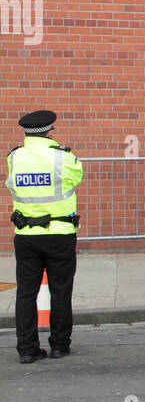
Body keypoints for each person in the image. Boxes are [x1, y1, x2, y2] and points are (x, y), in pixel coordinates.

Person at [6, 109, 83, 364]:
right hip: (60, 234)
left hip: (26, 235)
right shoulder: (62, 158)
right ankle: (60, 345)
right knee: (61, 290)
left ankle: (26, 349)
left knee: (26, 293)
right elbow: (76, 178)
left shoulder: (14, 157)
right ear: (50, 131)